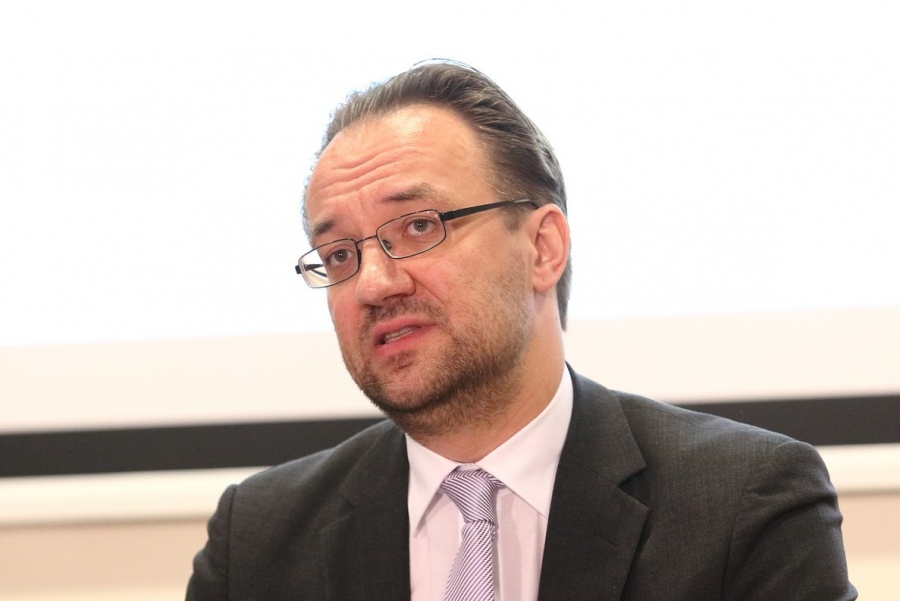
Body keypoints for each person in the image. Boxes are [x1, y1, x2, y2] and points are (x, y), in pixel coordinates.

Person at [187, 61, 856, 600]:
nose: (374, 284)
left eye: (419, 226)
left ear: (542, 248)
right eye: (339, 255)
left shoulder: (743, 502)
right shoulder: (260, 540)